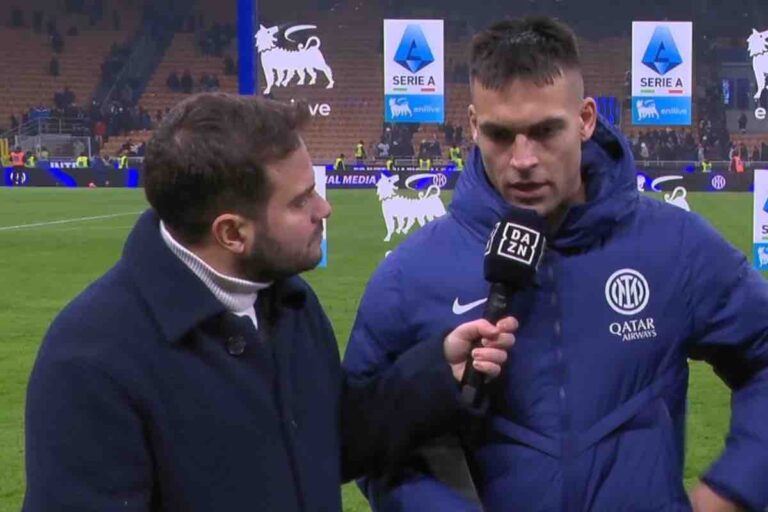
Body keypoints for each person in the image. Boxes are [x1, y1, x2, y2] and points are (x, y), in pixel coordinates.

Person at [343, 16, 768, 512]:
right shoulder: (410, 273)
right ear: (474, 126)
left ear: (585, 120)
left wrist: (734, 488)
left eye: (545, 131)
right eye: (500, 135)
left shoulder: (675, 245)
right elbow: (361, 437)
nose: (523, 159)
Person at [23, 92, 516, 511]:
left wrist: (437, 370)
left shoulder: (287, 301)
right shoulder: (92, 359)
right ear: (232, 233)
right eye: (301, 201)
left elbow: (329, 442)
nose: (325, 208)